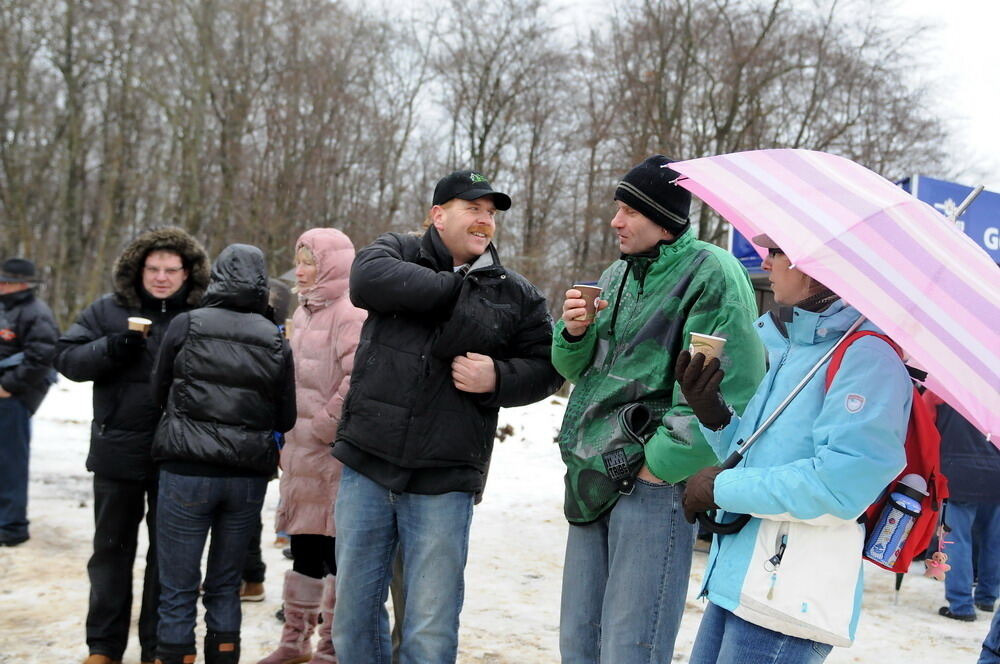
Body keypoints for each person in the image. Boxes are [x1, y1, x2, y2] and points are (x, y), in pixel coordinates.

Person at [330, 169, 563, 663]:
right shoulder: (393, 252)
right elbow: (364, 279)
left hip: (444, 479)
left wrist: (498, 377)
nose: (484, 221)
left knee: (429, 632)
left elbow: (548, 367)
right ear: (438, 215)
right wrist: (462, 293)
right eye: (472, 208)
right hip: (368, 467)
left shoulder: (515, 293)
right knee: (353, 621)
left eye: (491, 213)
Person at [551, 155, 766, 664]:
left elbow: (729, 385)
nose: (615, 221)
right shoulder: (616, 274)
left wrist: (656, 467)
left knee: (631, 647)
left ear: (662, 216)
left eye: (628, 210)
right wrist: (573, 333)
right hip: (590, 477)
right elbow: (581, 373)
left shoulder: (712, 273)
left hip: (651, 487)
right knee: (579, 643)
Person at [677, 234, 911, 664]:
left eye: (777, 252)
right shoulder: (796, 348)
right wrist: (712, 413)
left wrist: (720, 489)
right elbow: (756, 459)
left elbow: (840, 487)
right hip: (742, 577)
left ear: (818, 264)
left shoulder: (868, 359)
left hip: (789, 593)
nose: (766, 264)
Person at [54, 228, 209, 664]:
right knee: (109, 556)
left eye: (170, 270)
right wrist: (109, 349)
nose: (161, 277)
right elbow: (65, 358)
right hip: (116, 454)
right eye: (153, 268)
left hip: (177, 457)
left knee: (168, 562)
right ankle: (102, 648)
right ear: (138, 269)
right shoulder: (108, 310)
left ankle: (158, 649)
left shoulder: (200, 316)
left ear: (187, 272)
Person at [150, 244, 296, 664]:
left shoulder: (186, 324)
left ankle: (176, 654)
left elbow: (157, 391)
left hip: (186, 468)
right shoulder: (274, 337)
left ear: (216, 276)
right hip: (246, 477)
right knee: (226, 583)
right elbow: (286, 416)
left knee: (177, 586)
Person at [259, 229, 365, 664]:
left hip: (333, 457)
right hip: (299, 456)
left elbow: (357, 380)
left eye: (308, 262)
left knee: (336, 554)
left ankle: (332, 648)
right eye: (298, 261)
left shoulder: (351, 312)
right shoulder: (301, 314)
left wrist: (323, 428)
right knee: (303, 548)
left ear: (332, 267)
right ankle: (294, 643)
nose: (299, 271)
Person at [0, 257, 58, 547]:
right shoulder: (6, 307)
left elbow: (43, 356)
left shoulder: (36, 312)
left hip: (15, 397)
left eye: (6, 280)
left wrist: (8, 386)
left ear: (21, 283)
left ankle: (12, 527)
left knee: (10, 461)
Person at [927, 394, 1000, 621]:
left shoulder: (943, 389)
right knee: (994, 540)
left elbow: (927, 425)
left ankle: (961, 605)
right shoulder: (992, 386)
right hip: (996, 474)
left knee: (955, 540)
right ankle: (987, 597)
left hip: (956, 475)